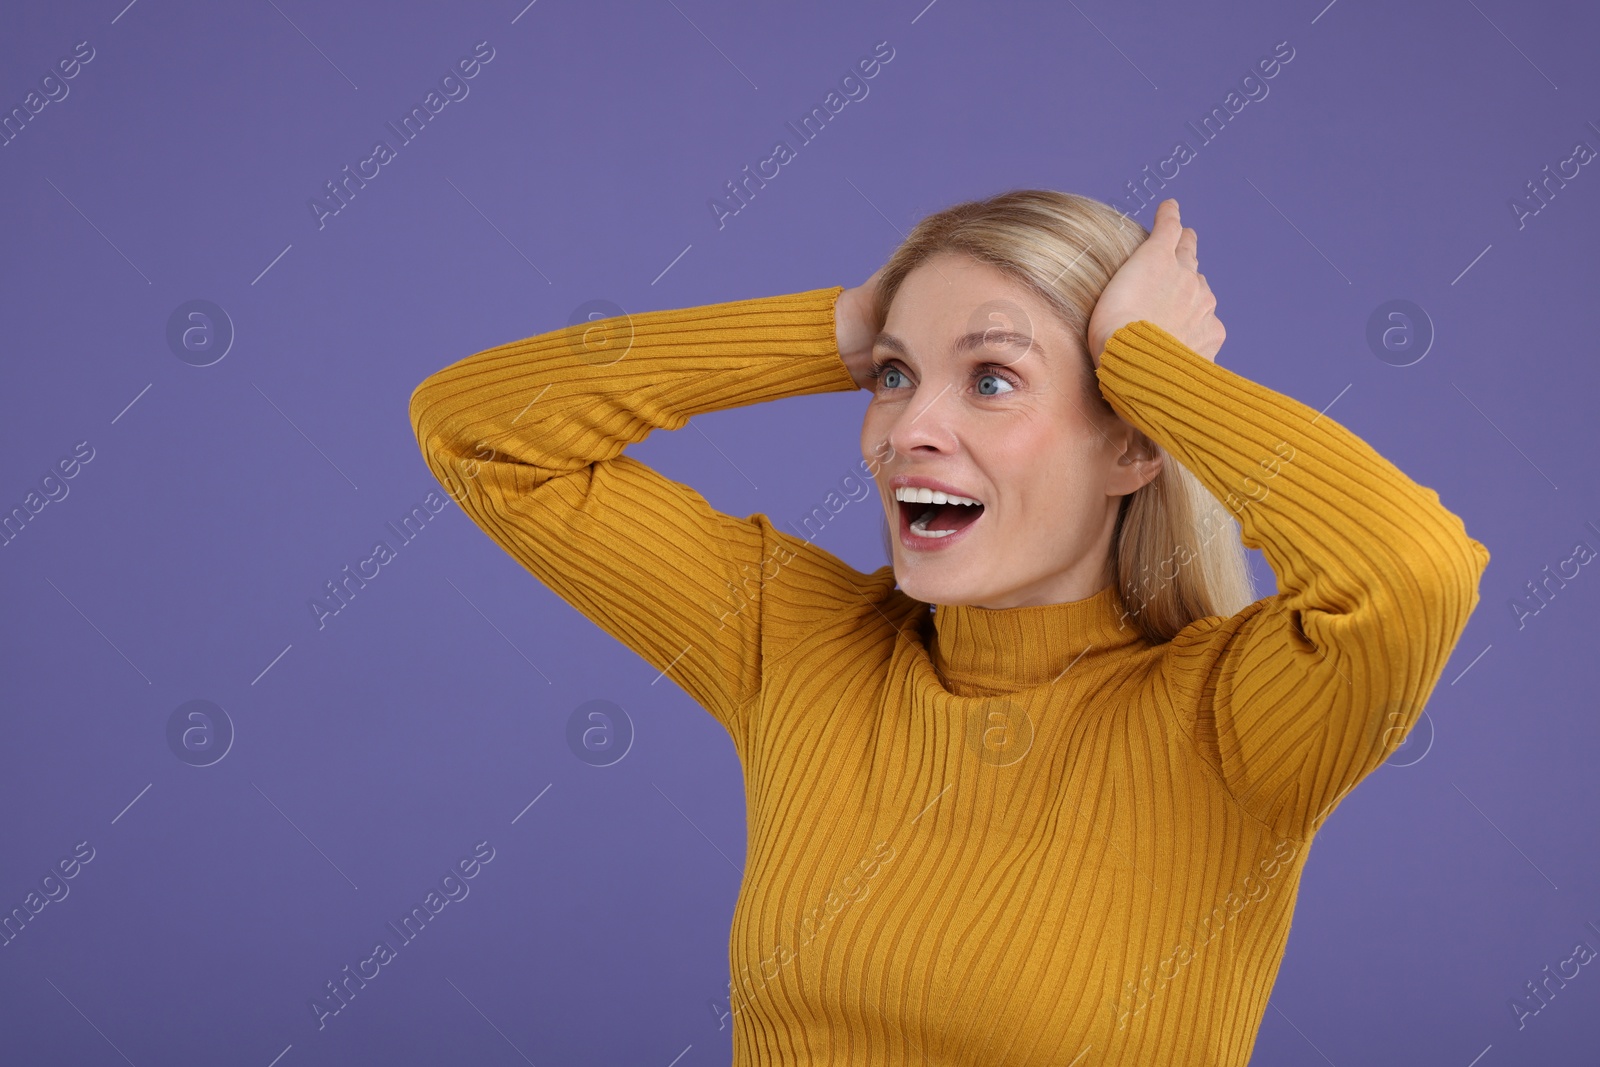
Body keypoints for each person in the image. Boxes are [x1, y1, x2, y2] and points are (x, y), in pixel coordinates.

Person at [408, 192, 1489, 1065]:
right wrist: (837, 326)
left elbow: (1411, 567)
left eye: (990, 379)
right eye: (892, 378)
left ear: (1130, 446)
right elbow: (480, 433)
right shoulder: (801, 646)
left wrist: (1153, 365)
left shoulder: (1236, 723)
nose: (907, 430)